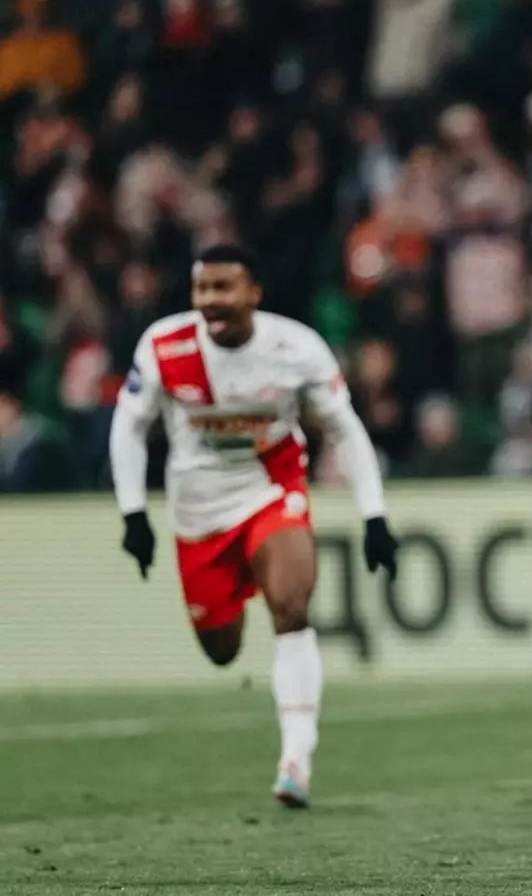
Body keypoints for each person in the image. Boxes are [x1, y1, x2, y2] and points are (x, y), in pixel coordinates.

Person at [108, 244, 400, 809]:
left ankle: (296, 759)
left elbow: (344, 429)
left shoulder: (297, 349)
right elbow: (129, 425)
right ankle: (232, 601)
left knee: (291, 607)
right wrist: (133, 513)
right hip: (197, 511)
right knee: (221, 649)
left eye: (223, 288)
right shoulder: (165, 346)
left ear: (253, 294)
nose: (210, 301)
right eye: (202, 289)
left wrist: (374, 515)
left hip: (271, 489)